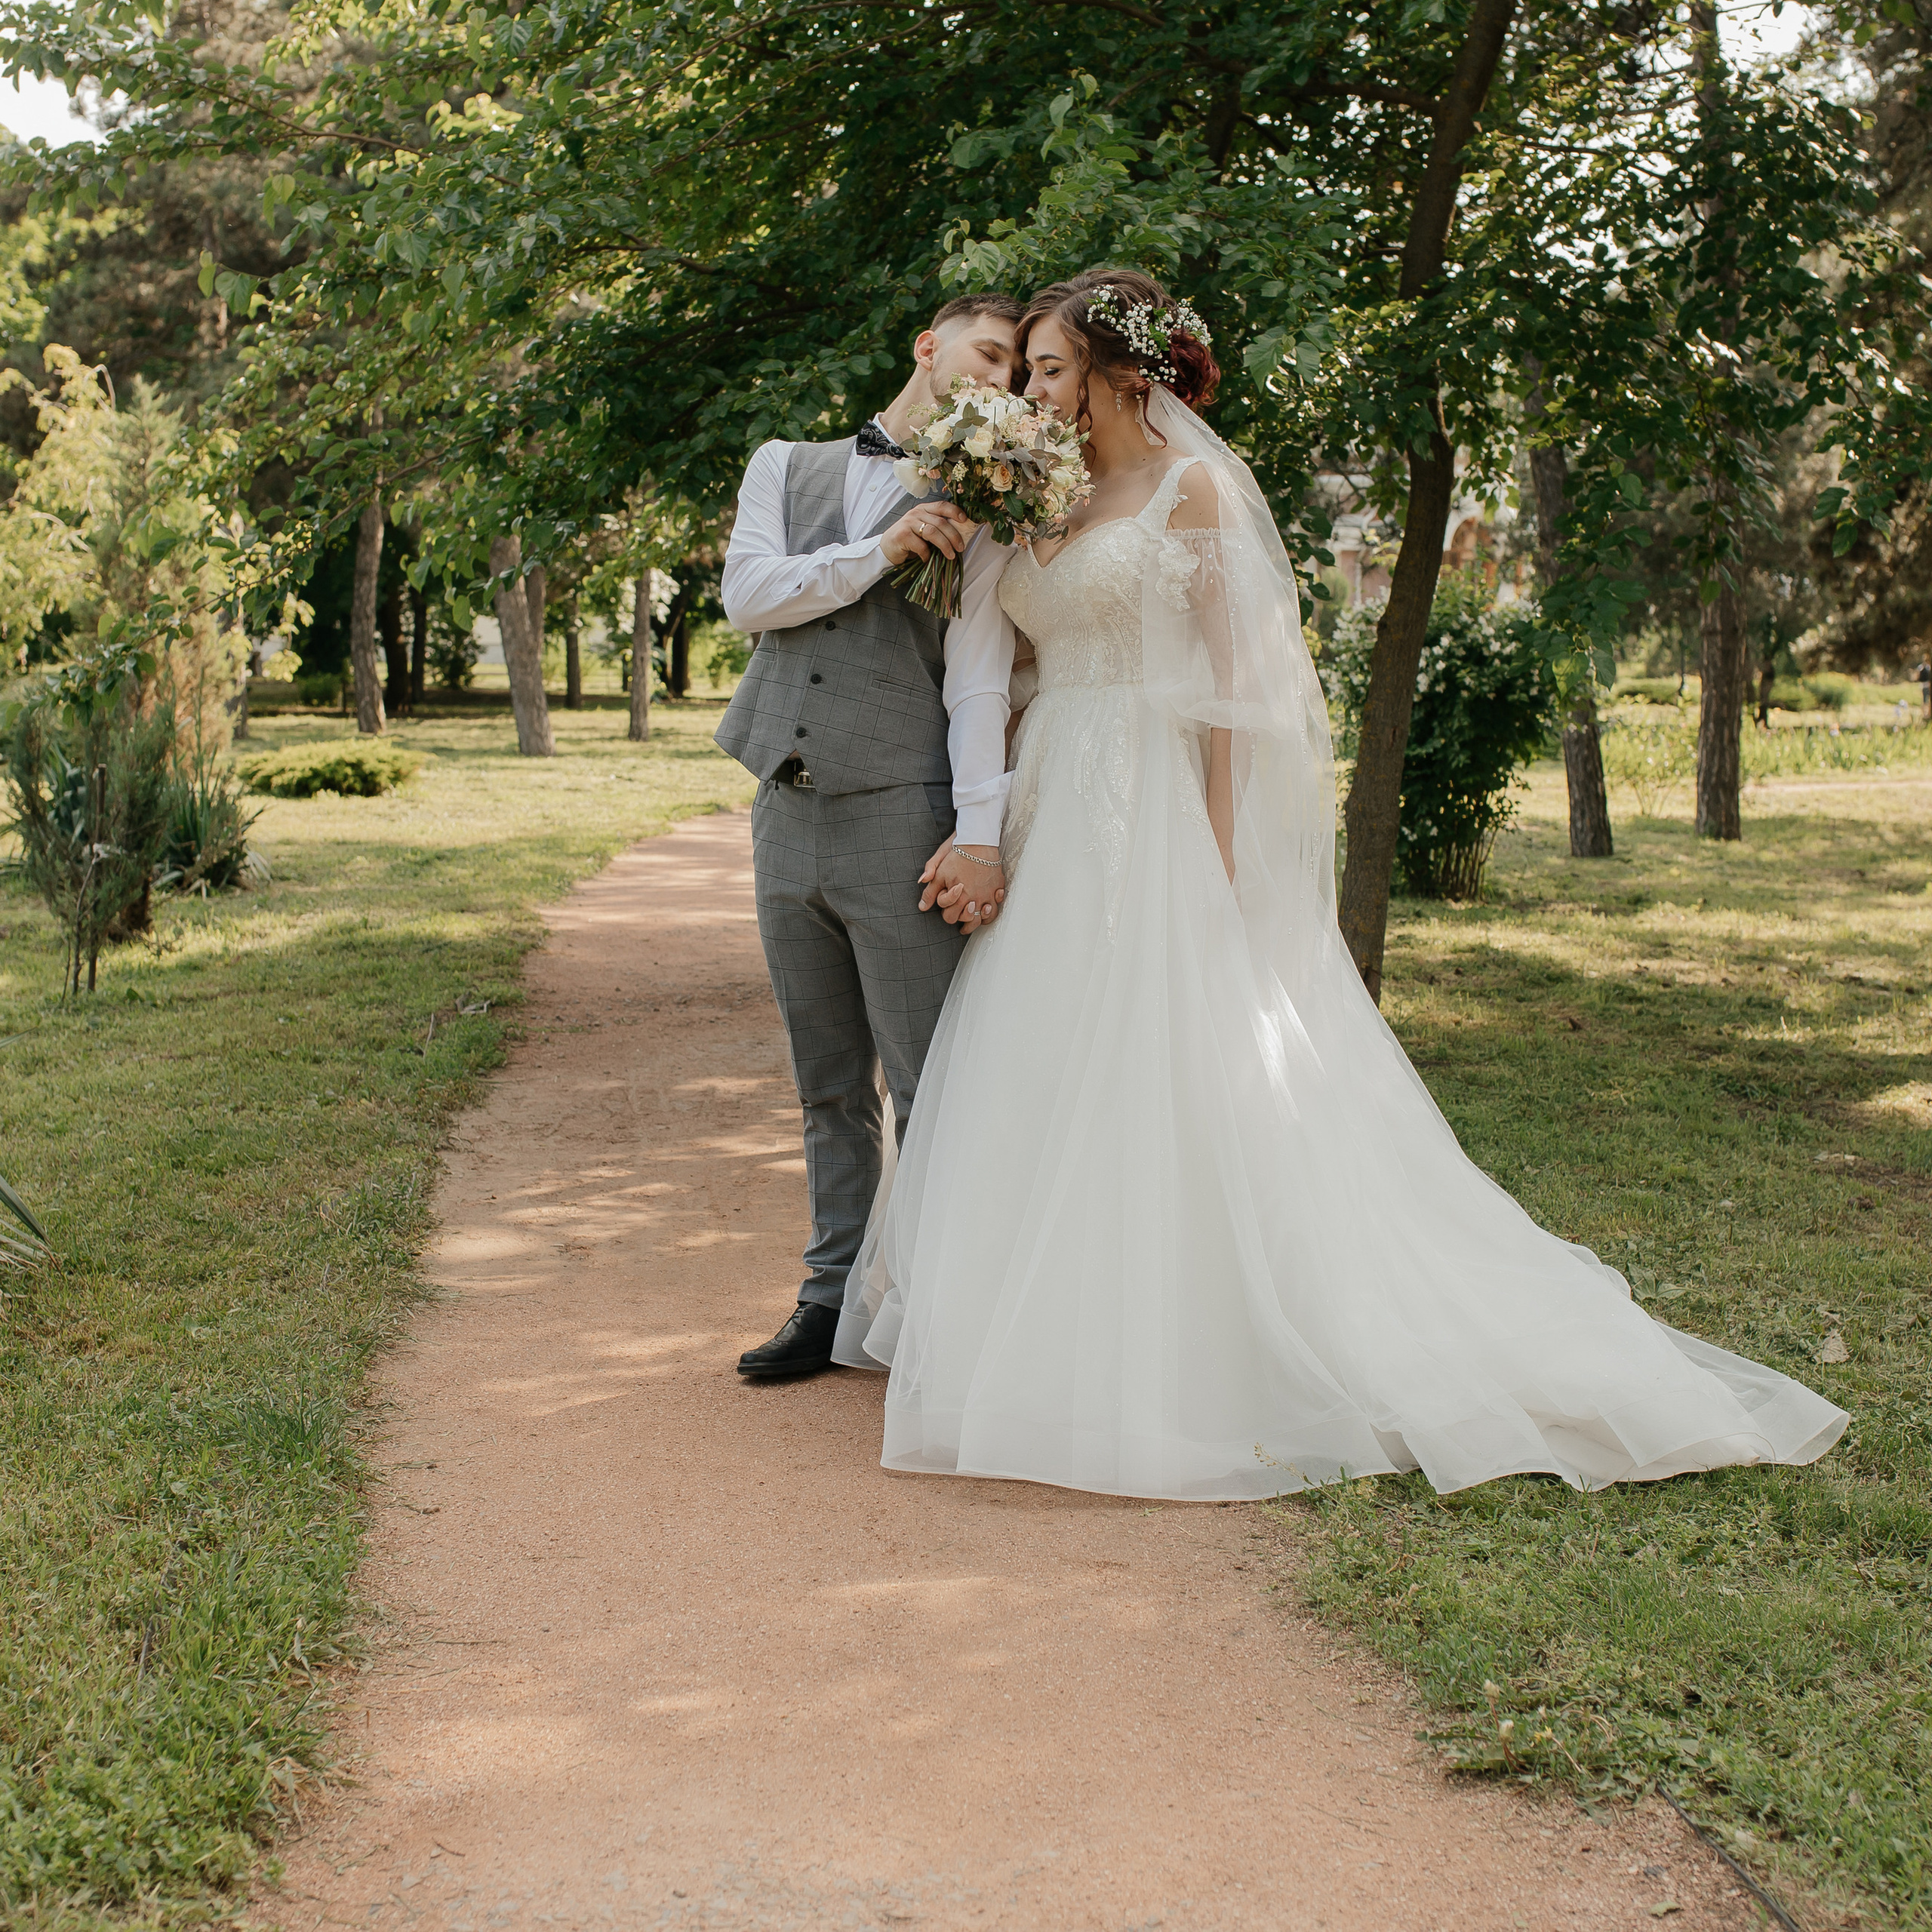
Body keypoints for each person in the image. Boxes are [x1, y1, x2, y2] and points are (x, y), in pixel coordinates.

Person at [834, 268, 1847, 1500]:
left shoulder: (1193, 487)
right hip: (1060, 792)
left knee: (1170, 1053)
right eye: (1028, 371)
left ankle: (1205, 1342)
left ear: (1120, 373)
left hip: (1157, 803)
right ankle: (1046, 1326)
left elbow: (1235, 694)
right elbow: (1027, 660)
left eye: (1050, 370)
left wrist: (1212, 852)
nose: (1030, 389)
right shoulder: (1043, 492)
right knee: (1045, 1048)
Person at [717, 293, 1022, 1380]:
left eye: (1017, 369)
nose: (999, 378)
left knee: (927, 1079)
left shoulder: (989, 506)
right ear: (929, 347)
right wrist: (880, 547)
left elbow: (979, 682)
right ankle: (827, 1301)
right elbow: (747, 597)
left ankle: (946, 1315)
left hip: (903, 812)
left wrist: (978, 832)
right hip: (782, 809)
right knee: (825, 1083)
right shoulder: (784, 467)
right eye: (988, 352)